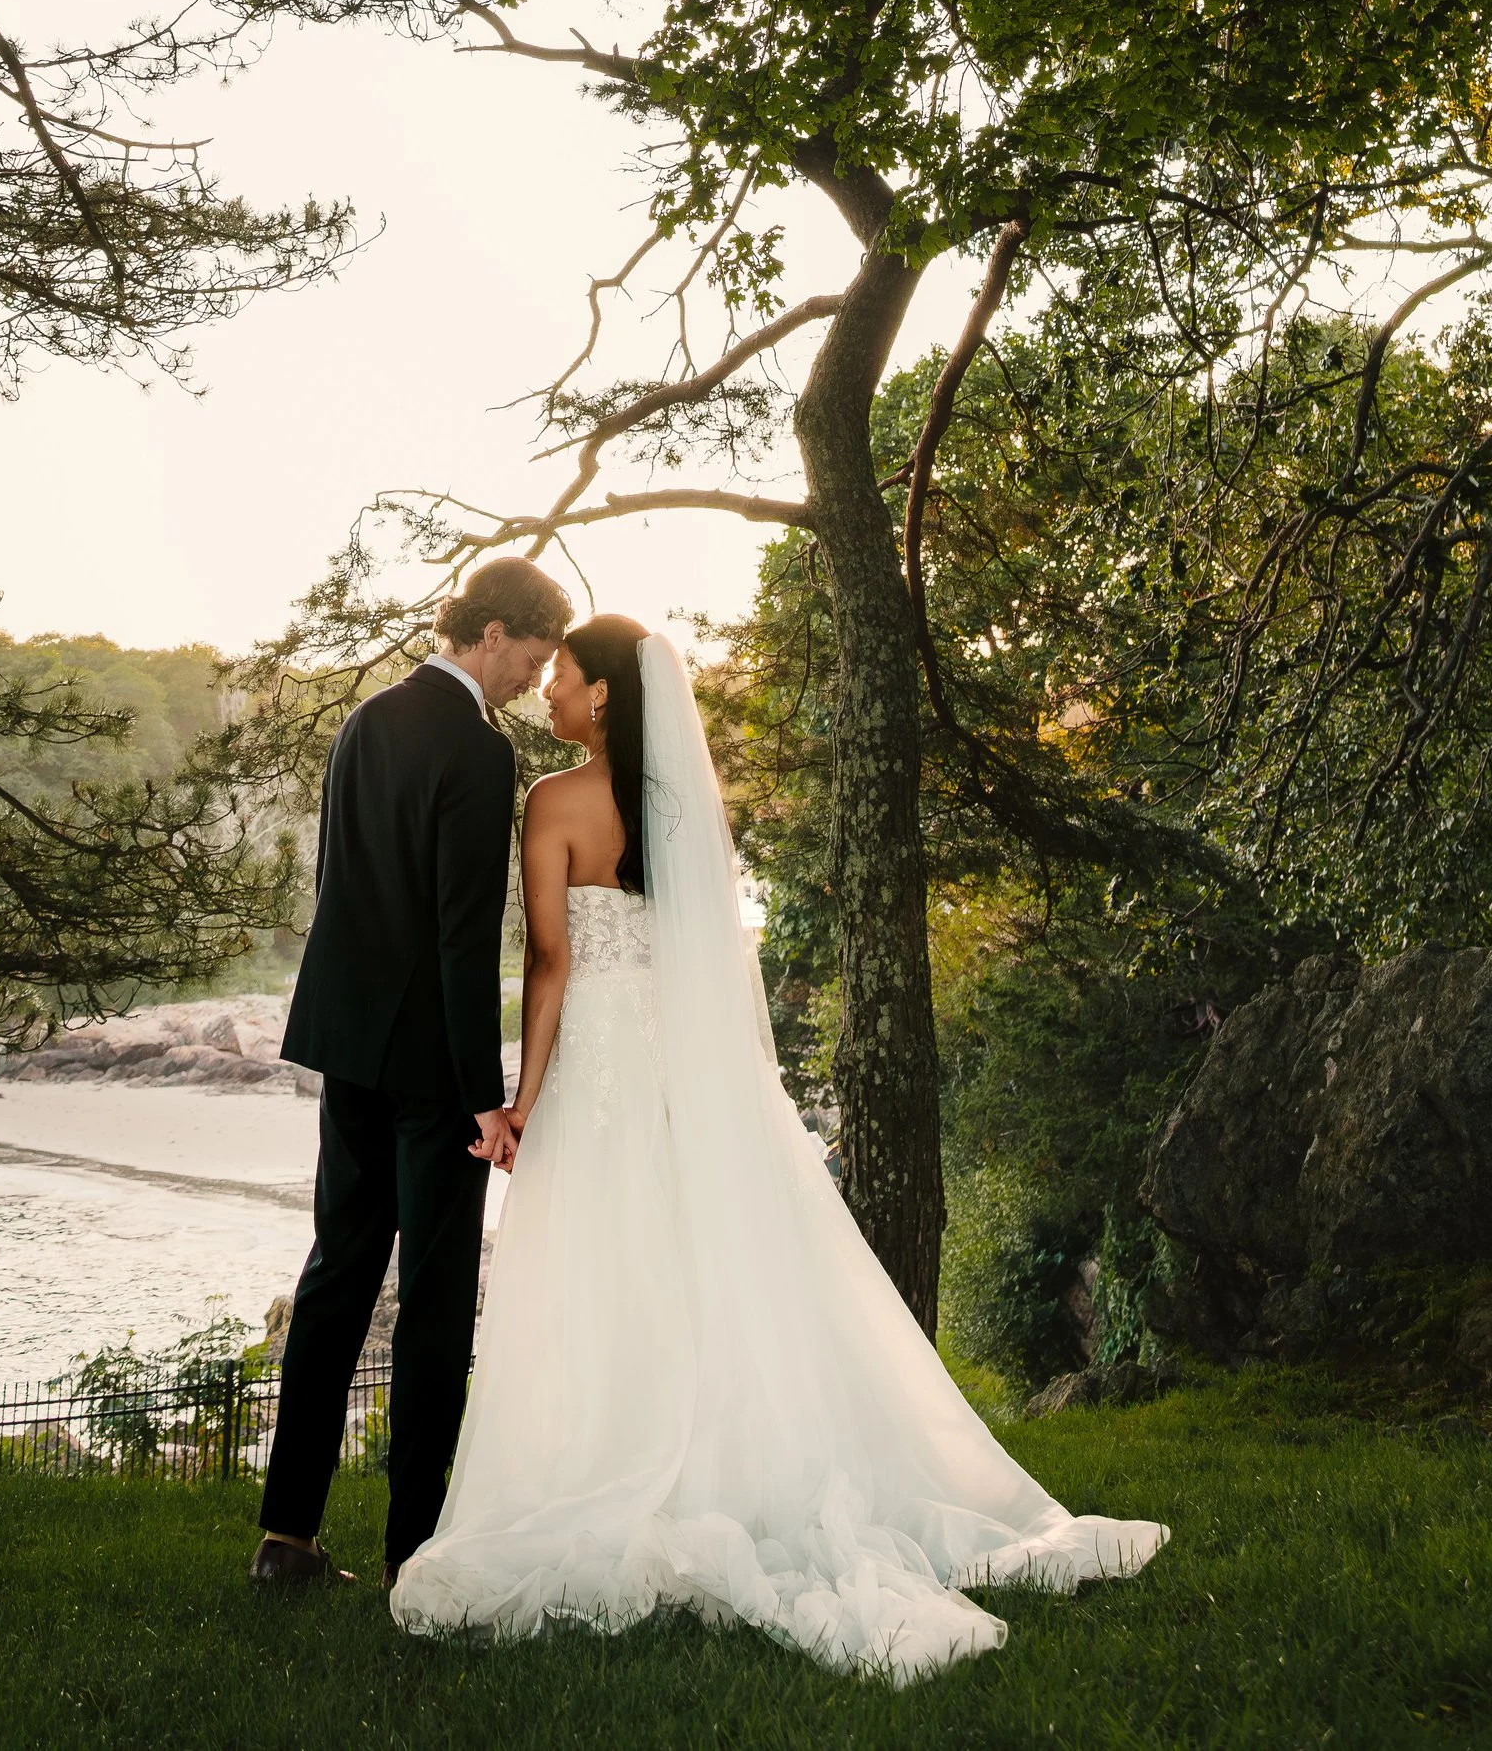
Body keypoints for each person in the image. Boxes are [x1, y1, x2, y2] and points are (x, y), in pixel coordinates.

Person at [387, 616, 1168, 1681]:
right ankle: (721, 1465)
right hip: (683, 1062)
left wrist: (521, 1098)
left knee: (600, 1268)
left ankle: (611, 1461)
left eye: (562, 675)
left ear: (604, 692)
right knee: (705, 1262)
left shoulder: (553, 801)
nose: (549, 690)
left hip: (601, 1063)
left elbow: (552, 961)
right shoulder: (682, 807)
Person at [249, 554, 574, 1589]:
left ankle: (285, 1537)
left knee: (336, 1275)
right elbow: (462, 934)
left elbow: (339, 885)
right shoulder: (478, 751)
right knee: (433, 1303)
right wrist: (484, 1093)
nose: (532, 676)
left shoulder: (365, 720)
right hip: (432, 1066)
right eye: (530, 656)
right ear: (492, 632)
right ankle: (413, 1553)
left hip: (348, 1043)